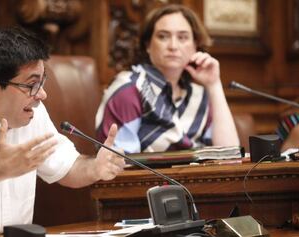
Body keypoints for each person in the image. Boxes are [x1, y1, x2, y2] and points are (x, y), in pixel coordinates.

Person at [0, 25, 125, 233]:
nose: (42, 94)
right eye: (32, 85)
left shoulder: (30, 112)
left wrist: (96, 167)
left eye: (42, 81)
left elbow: (67, 167)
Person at [95, 4, 239, 153]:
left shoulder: (200, 95)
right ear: (148, 45)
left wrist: (214, 85)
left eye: (182, 37)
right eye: (163, 36)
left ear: (196, 45)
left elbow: (230, 155)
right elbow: (116, 166)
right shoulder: (128, 88)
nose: (173, 46)